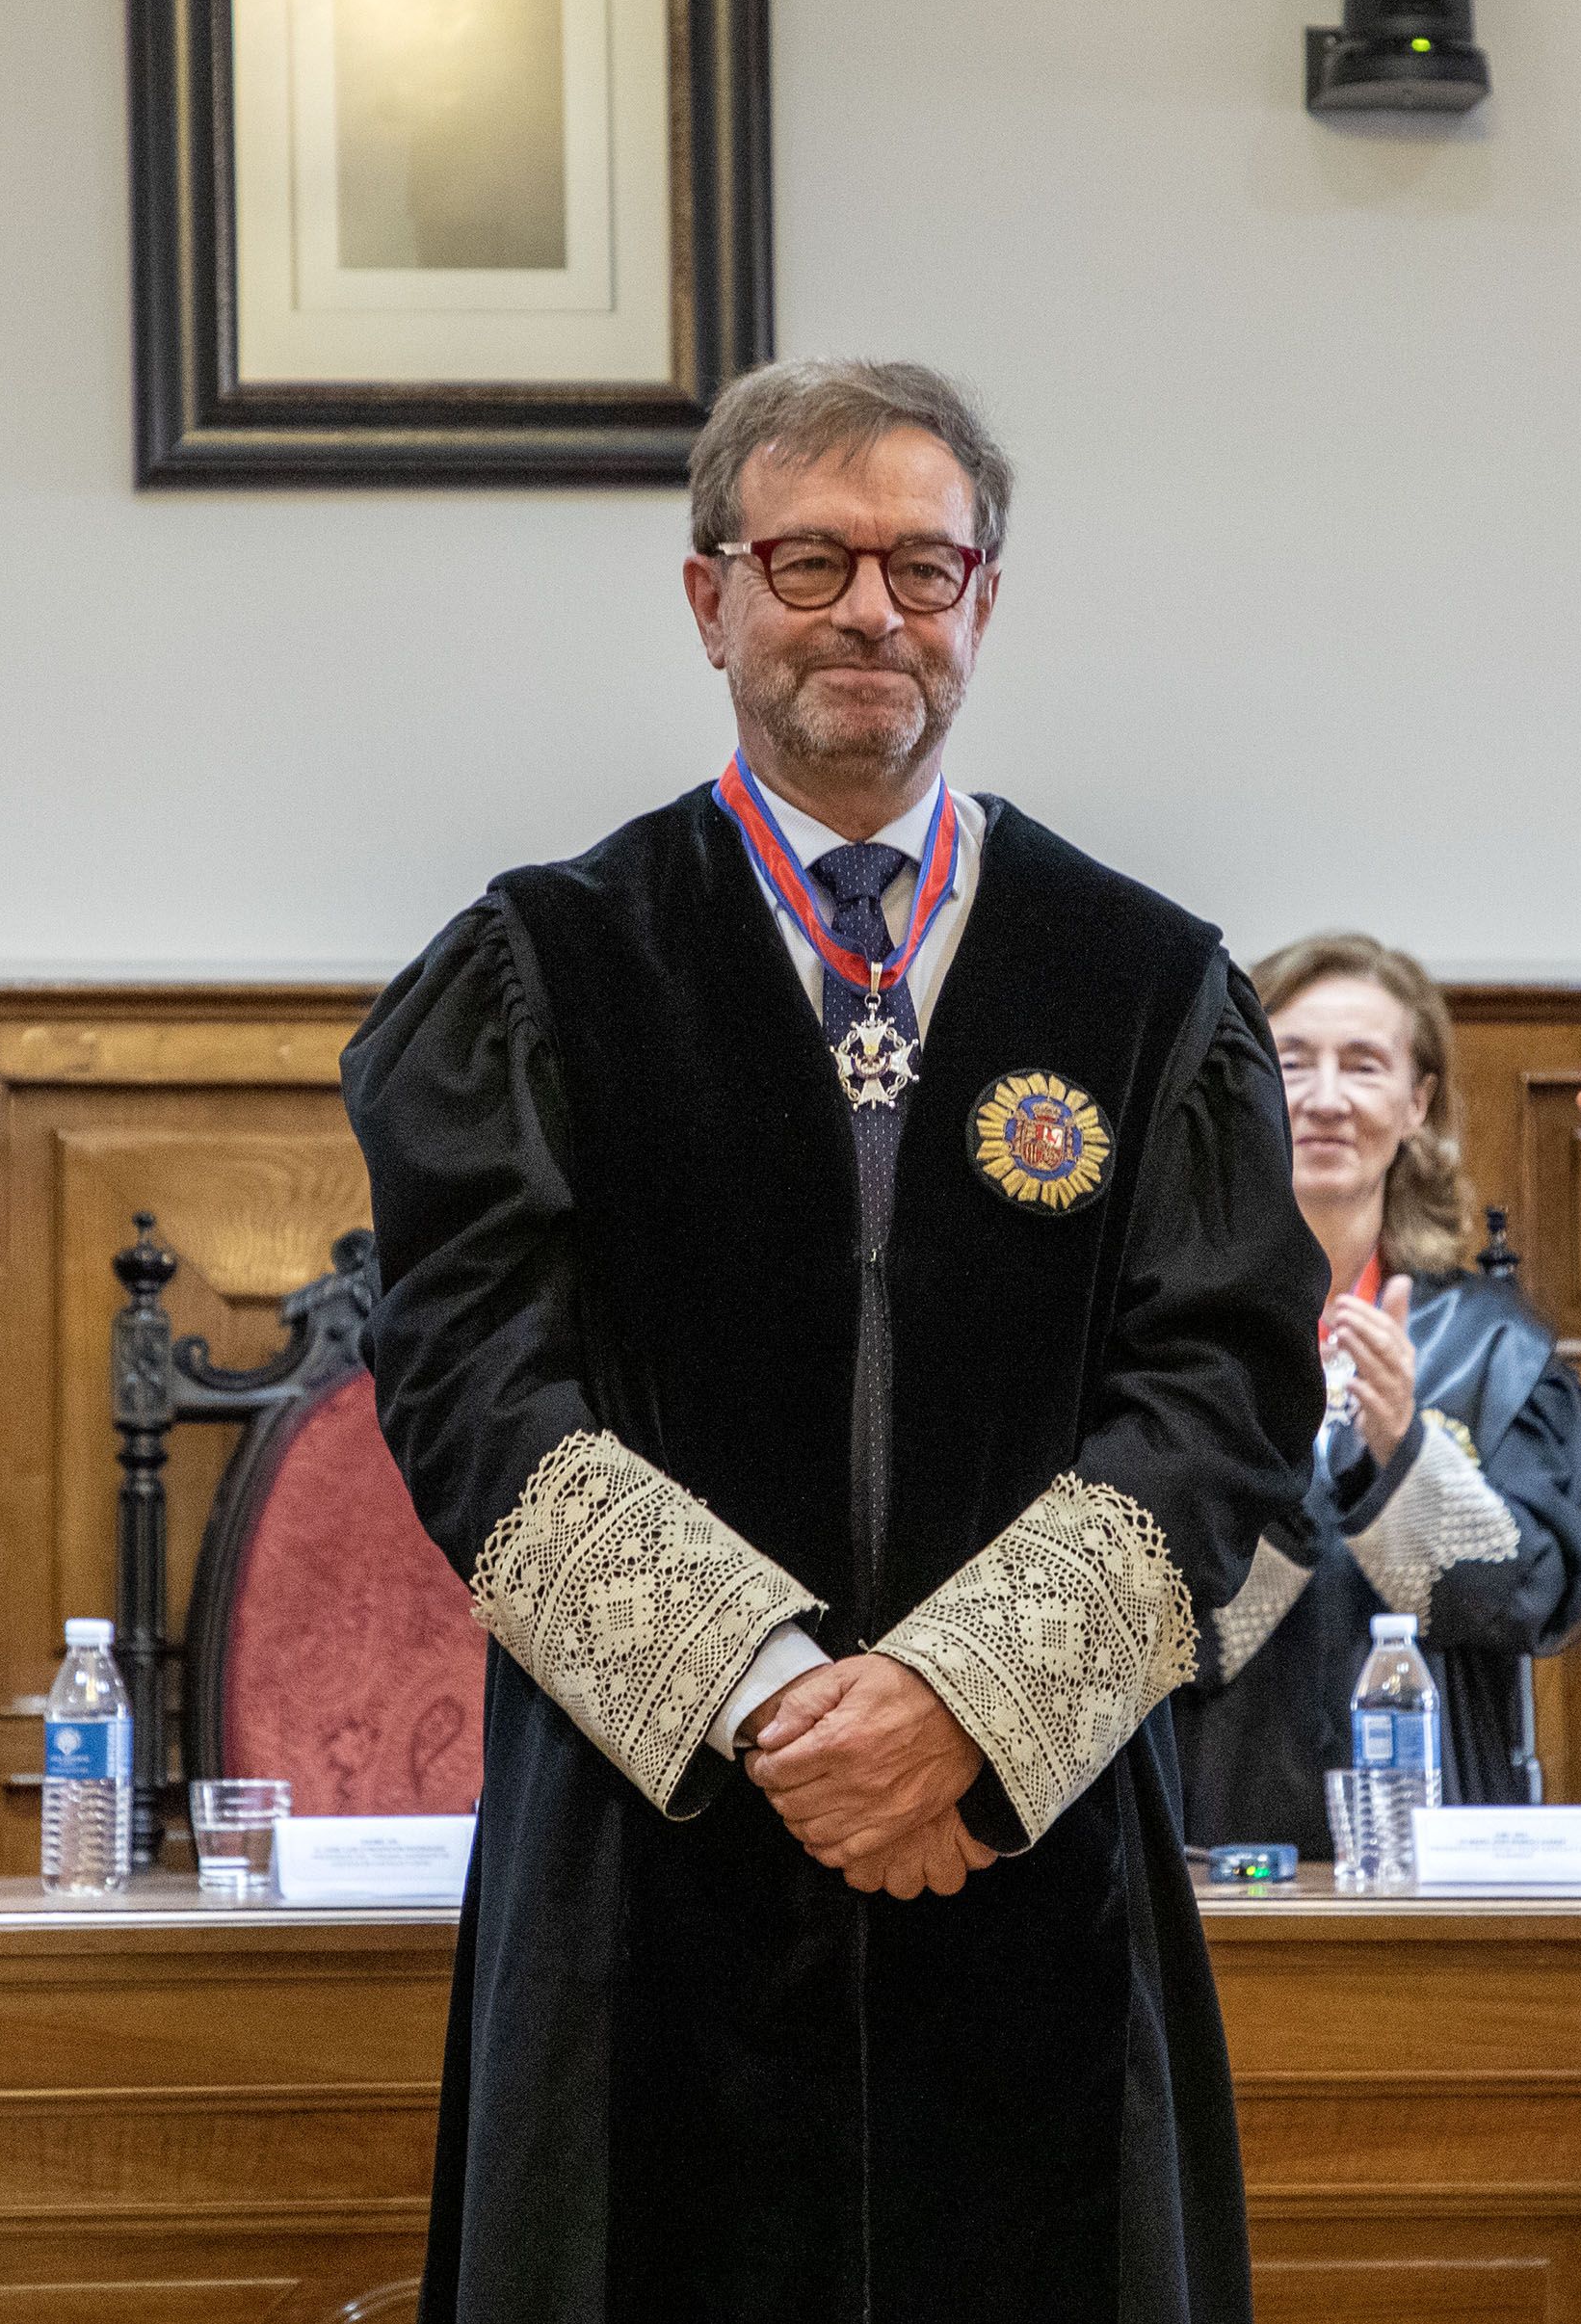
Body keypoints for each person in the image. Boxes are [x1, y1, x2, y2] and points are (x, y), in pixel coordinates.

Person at [345, 358, 1328, 2324]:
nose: (870, 609)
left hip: (1021, 1825)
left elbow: (1223, 1383)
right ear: (708, 596)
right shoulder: (546, 963)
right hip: (656, 1839)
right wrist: (779, 1697)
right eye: (808, 561)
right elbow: (467, 1374)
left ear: (984, 599)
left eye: (921, 564)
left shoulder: (1144, 982)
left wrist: (956, 1700)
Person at [1173, 933, 1581, 1851]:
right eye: (1291, 1061)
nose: (1326, 1099)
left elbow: (1550, 1595)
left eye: (1364, 1065)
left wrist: (1402, 1456)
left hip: (1444, 1834)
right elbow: (1132, 1618)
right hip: (1213, 1826)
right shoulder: (1171, 1332)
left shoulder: (1492, 1346)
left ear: (1416, 1104)